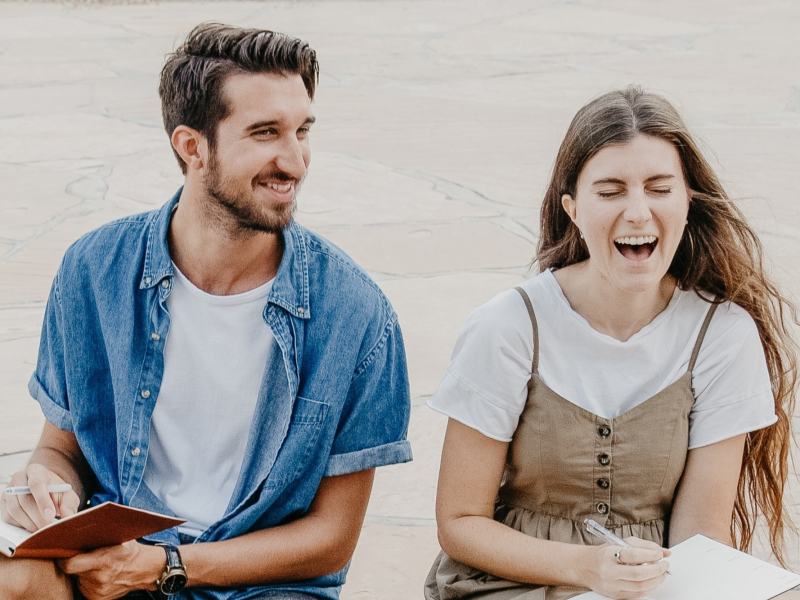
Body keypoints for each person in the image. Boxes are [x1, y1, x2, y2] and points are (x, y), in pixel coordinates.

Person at [0, 23, 412, 600]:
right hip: (114, 557)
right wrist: (46, 484)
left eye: (302, 131)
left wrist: (165, 565)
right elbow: (61, 448)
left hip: (258, 582)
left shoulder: (356, 314)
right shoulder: (94, 270)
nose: (294, 161)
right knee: (11, 578)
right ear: (192, 146)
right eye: (266, 133)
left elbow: (330, 539)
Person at [424, 86, 797, 600]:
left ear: (688, 201)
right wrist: (589, 568)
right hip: (507, 586)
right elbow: (460, 522)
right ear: (573, 209)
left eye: (659, 187)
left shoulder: (723, 335)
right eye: (611, 190)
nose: (638, 212)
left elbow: (700, 536)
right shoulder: (509, 326)